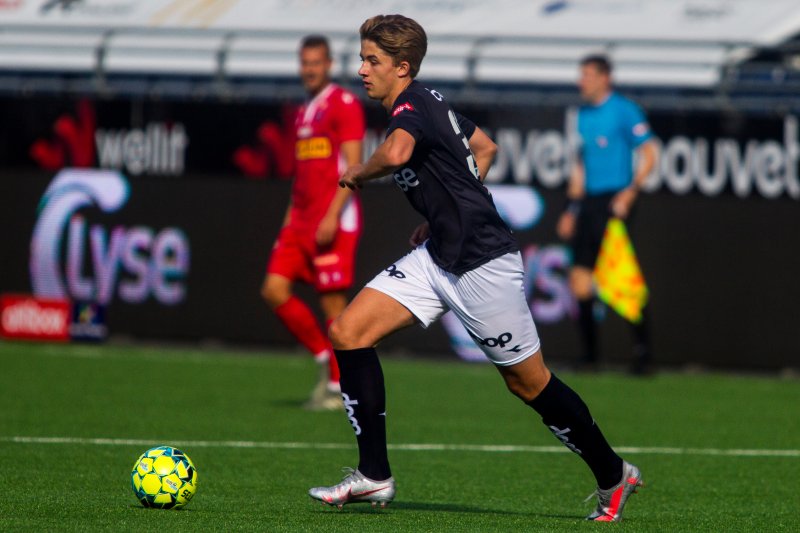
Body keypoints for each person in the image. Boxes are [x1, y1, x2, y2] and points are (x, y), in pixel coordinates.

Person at [308, 15, 643, 522]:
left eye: (371, 60)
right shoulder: (428, 101)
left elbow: (397, 152)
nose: (361, 69)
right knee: (349, 332)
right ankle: (374, 475)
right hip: (439, 254)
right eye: (361, 58)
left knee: (529, 384)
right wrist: (448, 212)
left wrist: (357, 171)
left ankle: (613, 474)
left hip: (483, 263)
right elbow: (485, 147)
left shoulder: (411, 106)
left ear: (403, 67)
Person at [261, 35, 365, 410]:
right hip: (301, 221)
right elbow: (302, 177)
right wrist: (289, 221)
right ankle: (325, 357)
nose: (309, 70)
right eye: (304, 63)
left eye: (316, 63)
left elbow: (354, 166)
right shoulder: (305, 111)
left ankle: (339, 389)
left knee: (333, 307)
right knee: (274, 289)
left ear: (329, 65)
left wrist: (334, 214)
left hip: (332, 221)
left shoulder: (344, 104)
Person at [557, 54, 658, 375]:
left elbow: (650, 152)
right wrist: (571, 209)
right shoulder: (583, 115)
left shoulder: (624, 110)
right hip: (588, 202)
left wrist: (631, 191)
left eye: (586, 75)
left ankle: (643, 354)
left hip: (614, 201)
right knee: (580, 281)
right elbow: (581, 164)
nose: (580, 81)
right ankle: (591, 356)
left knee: (621, 277)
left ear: (604, 78)